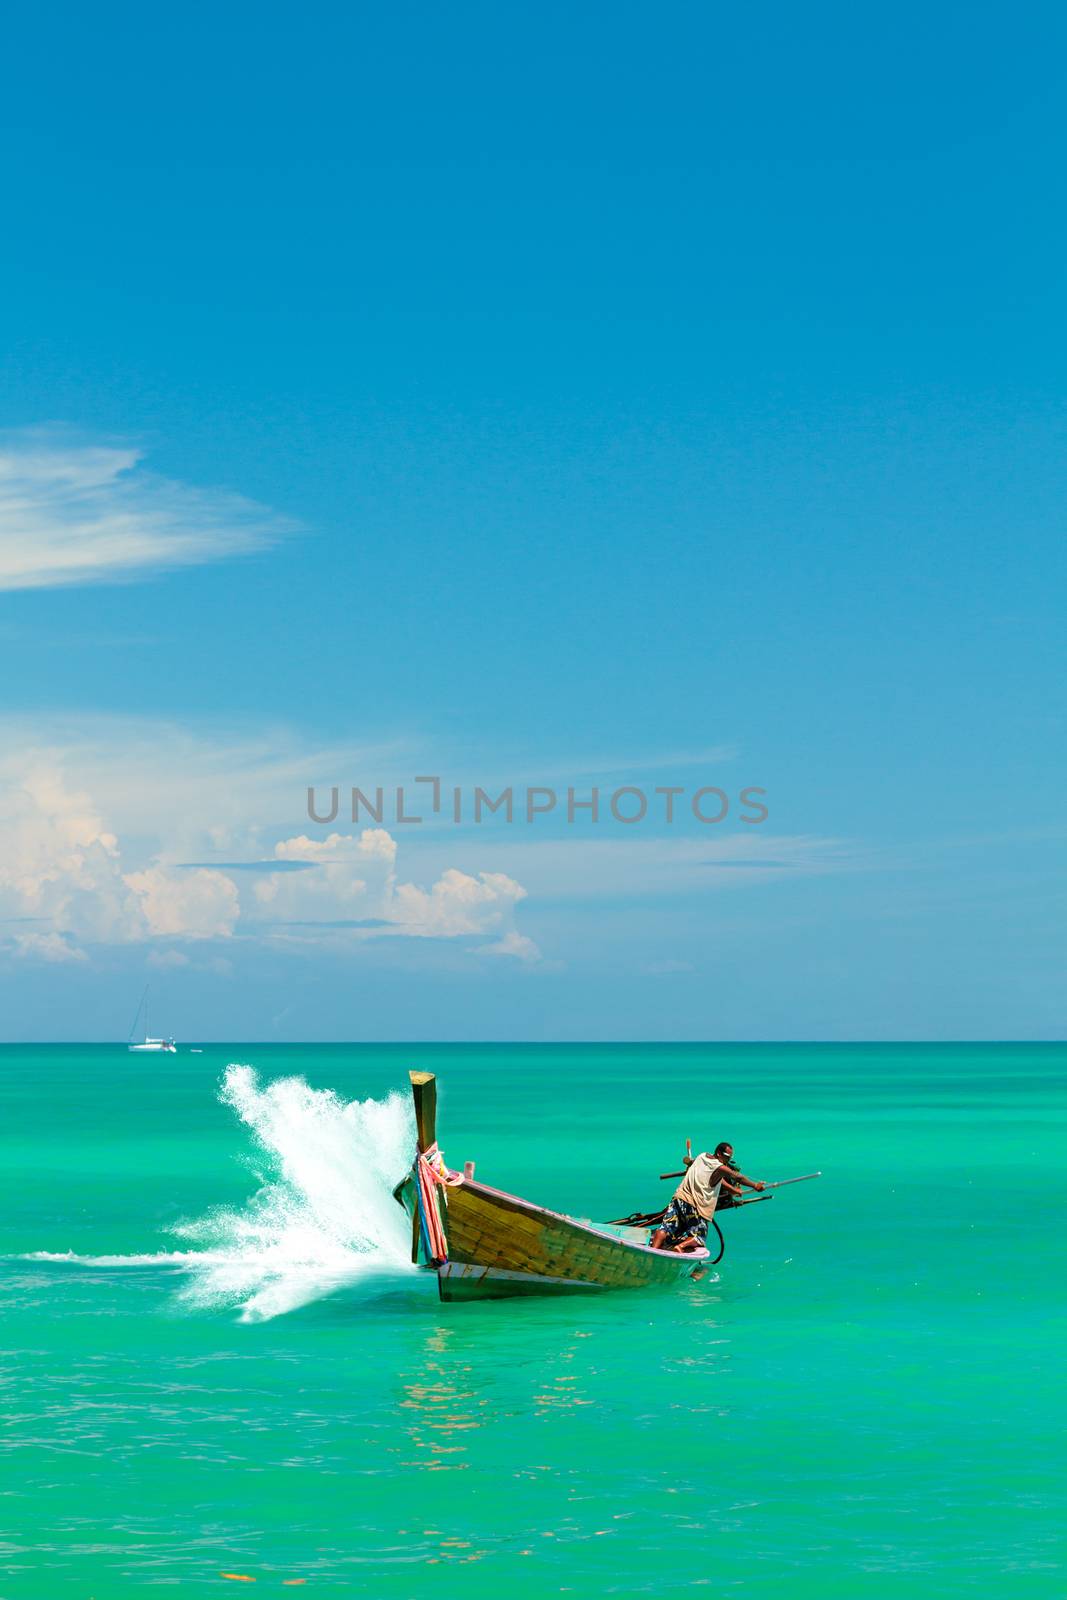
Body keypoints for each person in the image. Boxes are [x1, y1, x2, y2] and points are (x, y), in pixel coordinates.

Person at [649, 1141, 765, 1253]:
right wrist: (755, 1185)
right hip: (695, 1205)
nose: (728, 1159)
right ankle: (680, 1246)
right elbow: (737, 1177)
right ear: (719, 1153)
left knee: (665, 1229)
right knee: (699, 1237)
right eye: (727, 1156)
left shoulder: (702, 1156)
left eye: (730, 1157)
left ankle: (652, 1252)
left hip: (679, 1199)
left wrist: (733, 1190)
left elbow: (717, 1179)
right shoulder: (720, 1167)